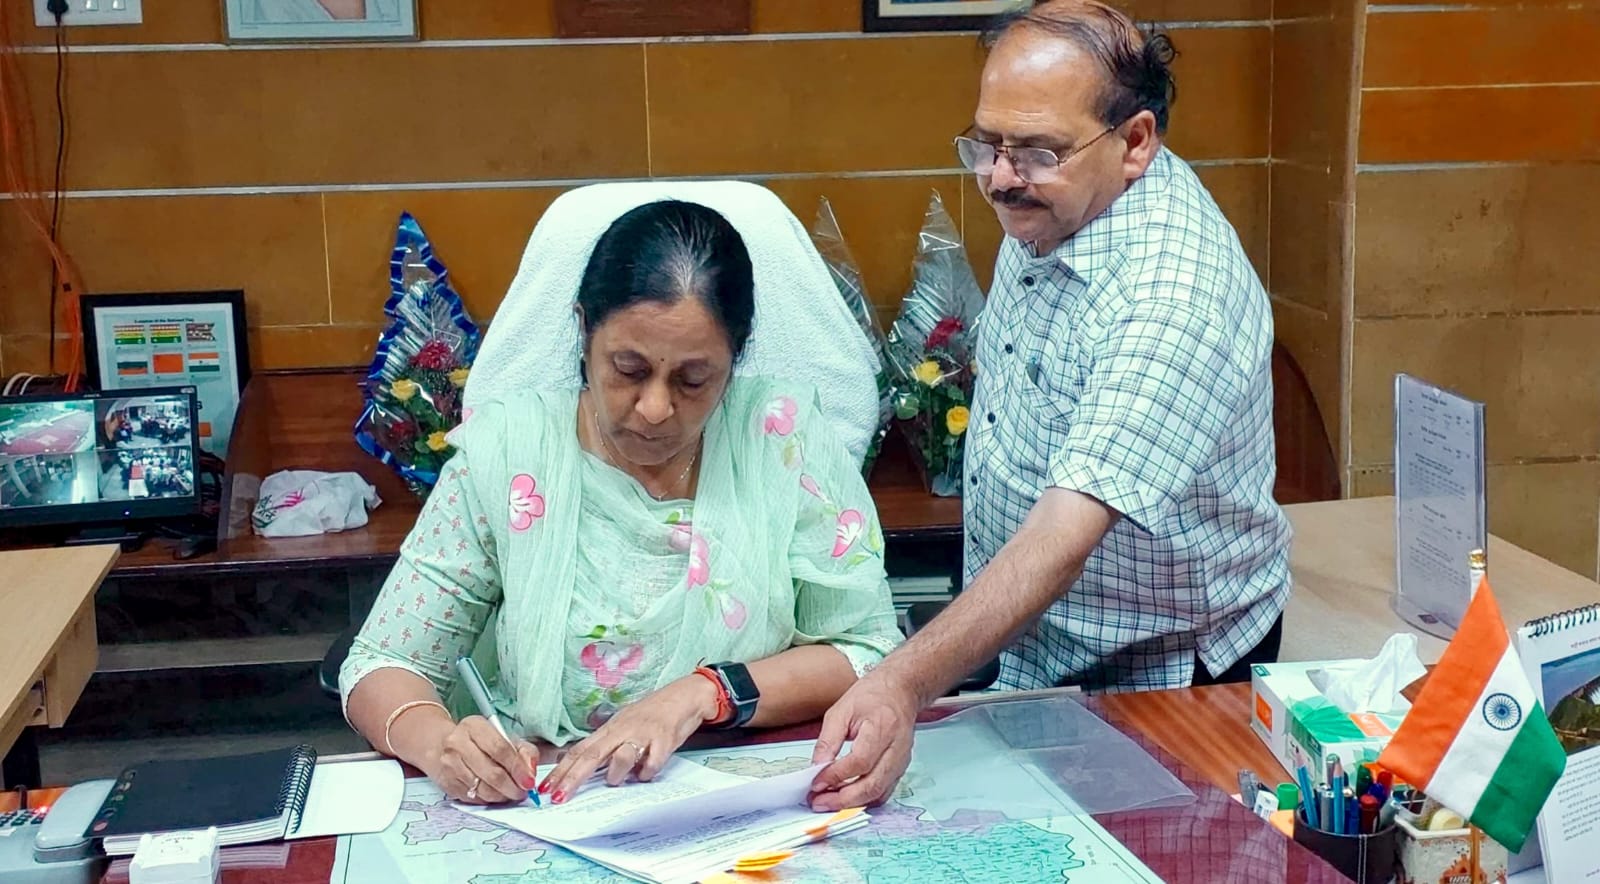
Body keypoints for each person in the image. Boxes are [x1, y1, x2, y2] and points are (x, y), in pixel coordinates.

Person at [809, 0, 1292, 810]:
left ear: (1135, 142)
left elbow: (1062, 538)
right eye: (986, 143)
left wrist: (901, 682)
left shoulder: (1175, 294)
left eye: (1035, 151)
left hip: (1161, 664)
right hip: (1040, 641)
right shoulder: (1064, 193)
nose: (1000, 178)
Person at [341, 199, 902, 806]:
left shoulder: (782, 438)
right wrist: (440, 745)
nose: (655, 408)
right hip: (550, 799)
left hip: (741, 800)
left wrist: (704, 694)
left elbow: (868, 652)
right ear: (584, 332)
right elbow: (380, 664)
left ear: (735, 357)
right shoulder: (509, 454)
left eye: (693, 380)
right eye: (628, 369)